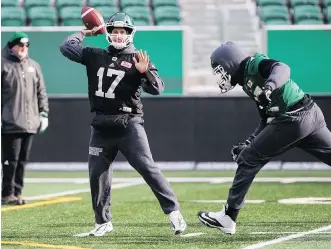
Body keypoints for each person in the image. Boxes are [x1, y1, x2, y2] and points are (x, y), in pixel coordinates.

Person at [60, 12, 187, 236]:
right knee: (96, 174)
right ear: (107, 32)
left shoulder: (138, 59)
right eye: (115, 31)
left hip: (129, 124)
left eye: (123, 32)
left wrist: (144, 71)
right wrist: (85, 32)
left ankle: (174, 212)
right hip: (101, 125)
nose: (119, 36)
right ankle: (102, 222)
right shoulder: (94, 54)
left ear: (130, 34)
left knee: (147, 168)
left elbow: (157, 88)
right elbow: (66, 47)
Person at [197, 41, 331, 235]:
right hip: (309, 114)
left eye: (221, 70)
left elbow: (282, 68)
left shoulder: (254, 64)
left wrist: (269, 86)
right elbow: (266, 119)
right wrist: (249, 142)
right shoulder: (247, 83)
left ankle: (228, 217)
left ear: (230, 63)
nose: (221, 76)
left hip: (293, 118)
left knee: (248, 159)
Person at [1, 31, 49, 205]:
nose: (23, 49)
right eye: (20, 45)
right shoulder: (2, 64)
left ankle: (17, 192)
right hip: (9, 122)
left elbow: (41, 91)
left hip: (30, 122)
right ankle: (7, 193)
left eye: (26, 46)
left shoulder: (34, 65)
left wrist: (44, 113)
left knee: (22, 160)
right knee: (10, 160)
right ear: (11, 46)